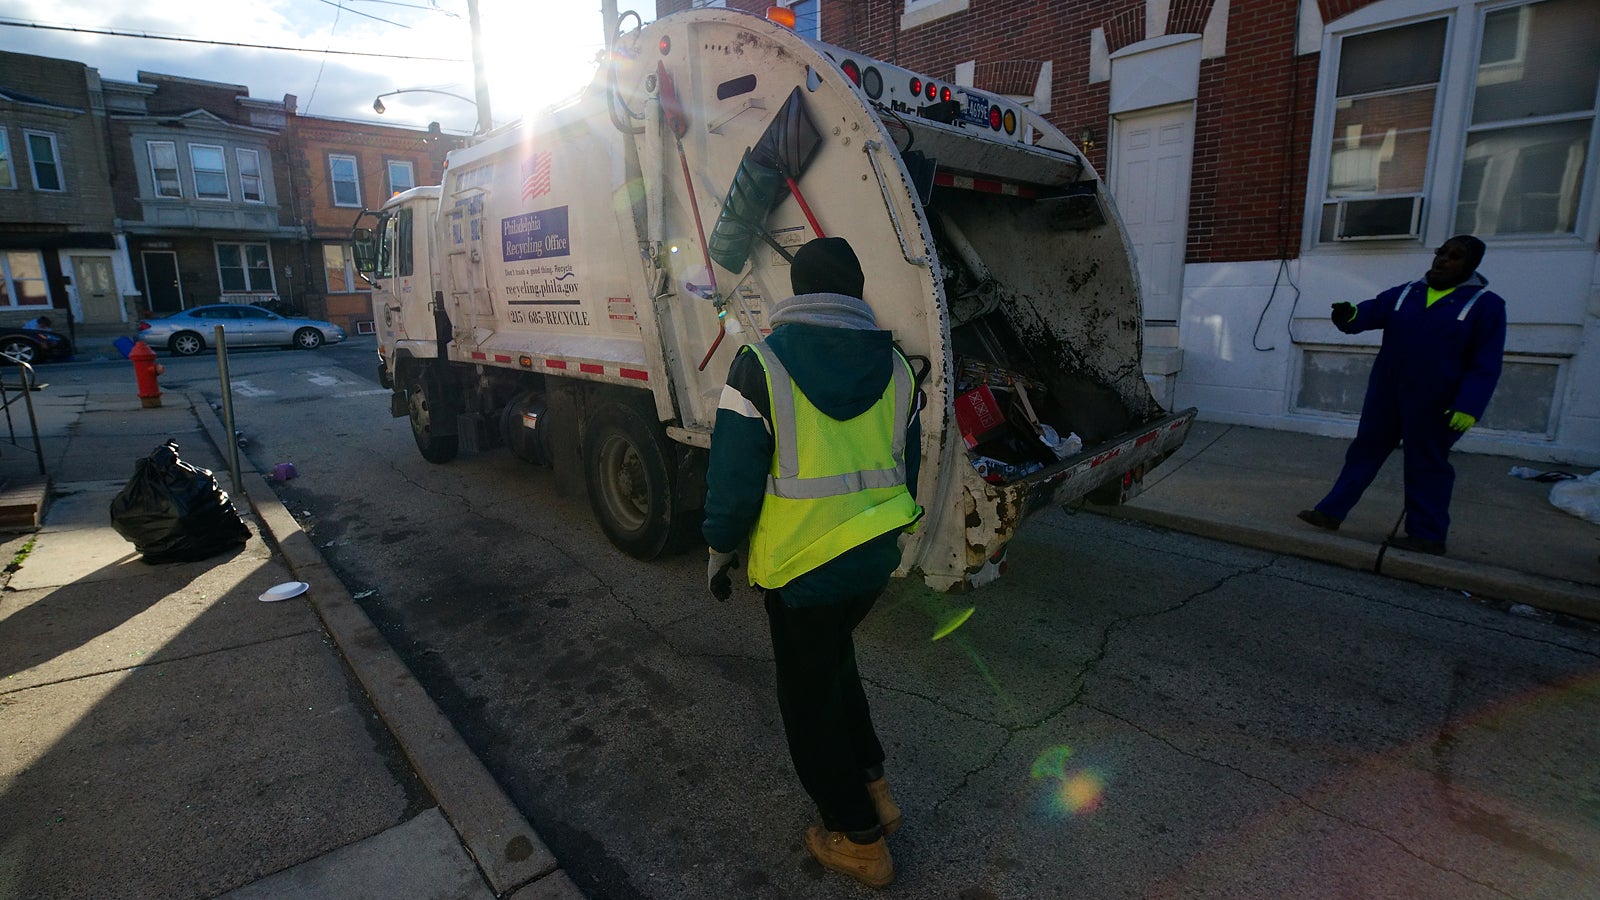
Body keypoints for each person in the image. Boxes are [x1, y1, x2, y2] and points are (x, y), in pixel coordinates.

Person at [703, 236, 922, 889]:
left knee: (809, 703)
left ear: (798, 291)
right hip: (870, 563)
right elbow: (901, 469)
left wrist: (718, 554)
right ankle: (874, 787)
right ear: (855, 291)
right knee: (835, 669)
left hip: (800, 572)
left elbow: (733, 482)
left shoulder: (761, 365)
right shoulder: (901, 369)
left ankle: (858, 838)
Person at [1298, 235, 1506, 555]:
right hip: (1387, 395)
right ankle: (1330, 512)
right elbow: (1367, 314)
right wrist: (1349, 314)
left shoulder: (1486, 306)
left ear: (1471, 265)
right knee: (1364, 452)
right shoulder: (1407, 293)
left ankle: (1428, 534)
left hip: (1437, 404)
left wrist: (1469, 406)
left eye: (1454, 256)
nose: (1442, 260)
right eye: (1440, 252)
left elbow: (1486, 362)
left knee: (1427, 465)